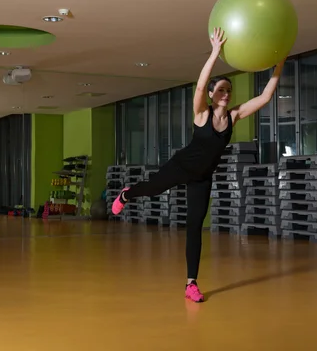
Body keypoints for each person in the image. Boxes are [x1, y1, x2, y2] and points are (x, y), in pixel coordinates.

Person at [111, 27, 286, 302]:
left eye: (229, 90)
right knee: (153, 189)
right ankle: (126, 194)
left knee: (195, 227)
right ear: (213, 94)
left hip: (203, 177)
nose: (225, 94)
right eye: (221, 90)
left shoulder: (234, 117)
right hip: (181, 166)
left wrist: (279, 65)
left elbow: (264, 97)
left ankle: (191, 283)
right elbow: (201, 86)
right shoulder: (201, 112)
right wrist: (215, 52)